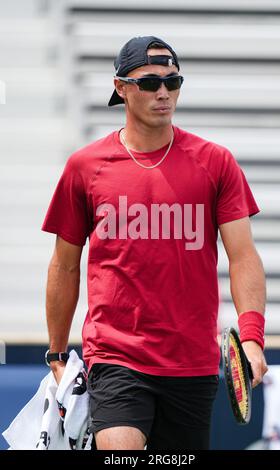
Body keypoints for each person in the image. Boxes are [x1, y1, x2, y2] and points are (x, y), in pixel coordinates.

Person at [42, 35, 268, 450]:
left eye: (173, 82)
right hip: (115, 356)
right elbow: (64, 264)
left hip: (192, 361)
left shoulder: (216, 162)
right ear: (121, 87)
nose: (163, 93)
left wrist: (251, 336)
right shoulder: (85, 166)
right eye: (149, 83)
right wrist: (56, 354)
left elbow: (243, 257)